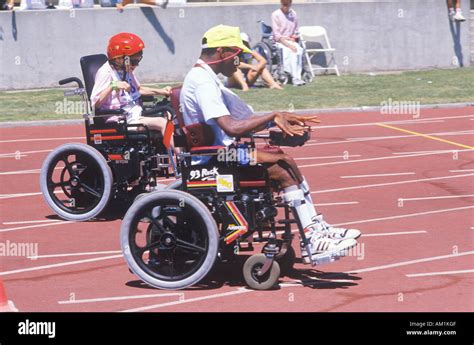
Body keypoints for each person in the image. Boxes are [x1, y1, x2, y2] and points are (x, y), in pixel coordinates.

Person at [180, 24, 360, 264]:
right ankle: (313, 239)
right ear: (222, 52)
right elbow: (232, 128)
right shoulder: (202, 81)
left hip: (223, 154)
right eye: (237, 55)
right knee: (281, 168)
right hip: (214, 159)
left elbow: (244, 118)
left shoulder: (209, 79)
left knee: (285, 159)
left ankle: (316, 229)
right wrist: (274, 115)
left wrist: (277, 126)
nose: (239, 61)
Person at [91, 32, 173, 145]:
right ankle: (178, 157)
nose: (136, 65)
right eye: (134, 61)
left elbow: (138, 90)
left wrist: (162, 91)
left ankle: (168, 153)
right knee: (163, 123)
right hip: (121, 118)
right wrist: (113, 86)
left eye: (138, 61)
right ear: (120, 59)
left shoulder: (126, 70)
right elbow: (95, 104)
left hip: (134, 112)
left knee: (170, 114)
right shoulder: (105, 72)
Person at [271, 0, 305, 86]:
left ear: (290, 2)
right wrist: (289, 45)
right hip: (280, 40)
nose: (285, 4)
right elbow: (277, 35)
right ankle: (294, 77)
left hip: (291, 39)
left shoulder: (293, 14)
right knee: (291, 51)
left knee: (299, 50)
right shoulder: (276, 14)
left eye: (287, 2)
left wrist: (294, 37)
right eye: (283, 2)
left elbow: (296, 30)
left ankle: (298, 76)